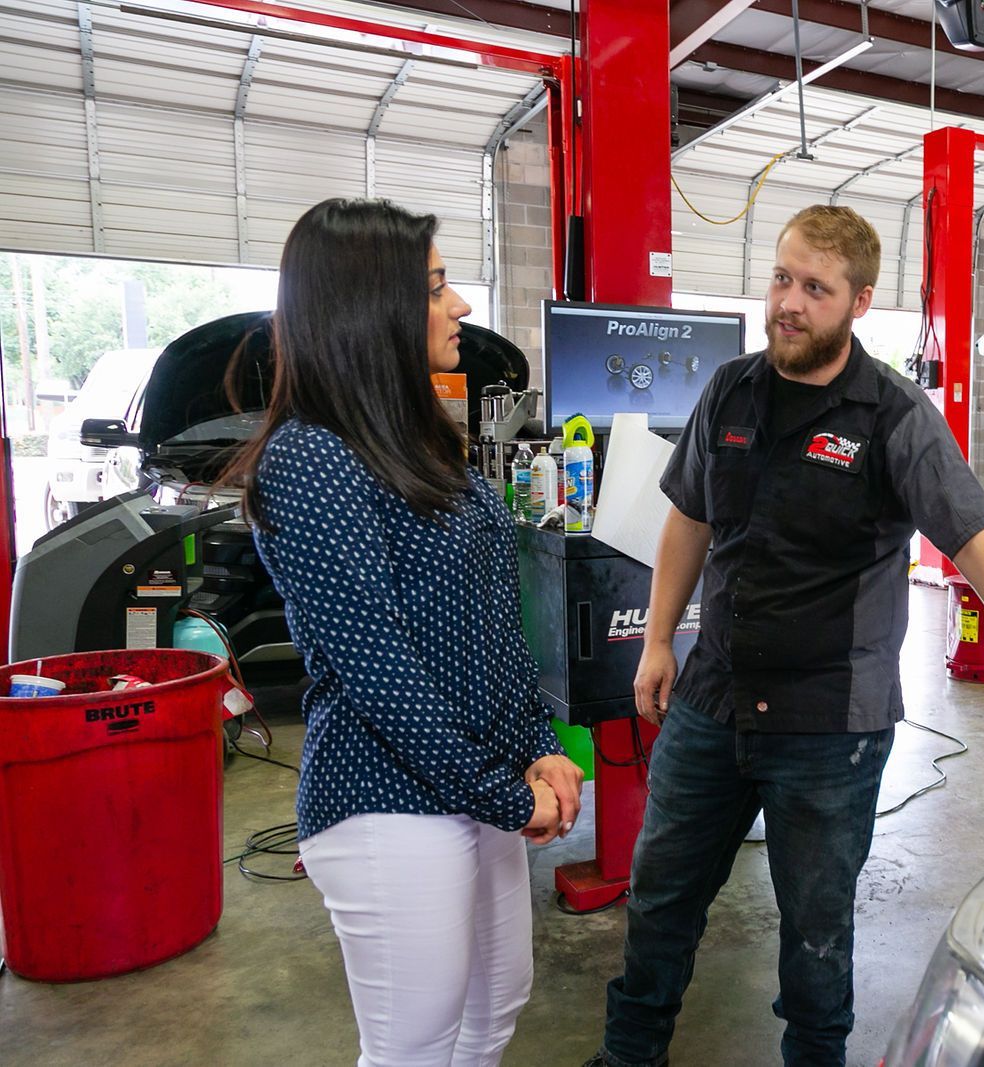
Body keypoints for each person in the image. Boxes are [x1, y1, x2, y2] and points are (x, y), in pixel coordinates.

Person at [586, 205, 984, 1067]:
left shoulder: (893, 416)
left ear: (859, 302)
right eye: (781, 277)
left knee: (815, 937)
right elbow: (688, 518)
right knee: (659, 901)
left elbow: (977, 544)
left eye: (814, 288)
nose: (789, 303)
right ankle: (628, 1057)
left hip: (829, 726)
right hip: (713, 700)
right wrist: (659, 639)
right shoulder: (728, 390)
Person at [221, 198, 585, 1067]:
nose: (459, 305)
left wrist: (537, 746)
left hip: (479, 781)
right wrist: (509, 795)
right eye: (434, 287)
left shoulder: (415, 441)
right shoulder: (310, 460)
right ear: (367, 308)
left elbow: (493, 628)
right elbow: (382, 675)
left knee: (494, 1013)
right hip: (386, 797)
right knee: (414, 1050)